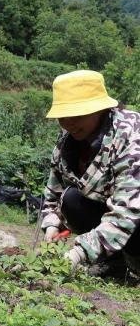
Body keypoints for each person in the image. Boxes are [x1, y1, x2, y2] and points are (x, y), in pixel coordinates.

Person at [41, 70, 140, 275]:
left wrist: (80, 252)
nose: (68, 123)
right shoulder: (68, 140)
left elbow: (126, 212)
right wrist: (51, 224)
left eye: (76, 115)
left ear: (100, 109)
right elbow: (55, 191)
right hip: (114, 221)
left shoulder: (131, 136)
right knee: (71, 200)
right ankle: (114, 264)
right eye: (63, 116)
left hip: (133, 218)